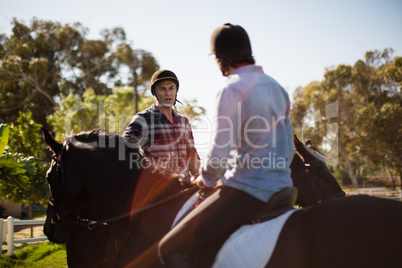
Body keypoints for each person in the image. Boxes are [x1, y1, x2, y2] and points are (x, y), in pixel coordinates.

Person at [132, 23, 295, 268]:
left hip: (247, 191)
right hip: (284, 188)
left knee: (168, 248)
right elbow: (288, 149)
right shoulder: (276, 86)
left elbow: (219, 153)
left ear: (220, 58)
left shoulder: (232, 88)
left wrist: (205, 179)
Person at [123, 69, 200, 180]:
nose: (168, 93)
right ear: (154, 93)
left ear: (176, 91)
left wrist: (200, 180)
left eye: (171, 88)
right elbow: (124, 148)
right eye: (162, 89)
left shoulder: (184, 122)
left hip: (184, 187)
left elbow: (192, 156)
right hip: (158, 190)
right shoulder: (143, 119)